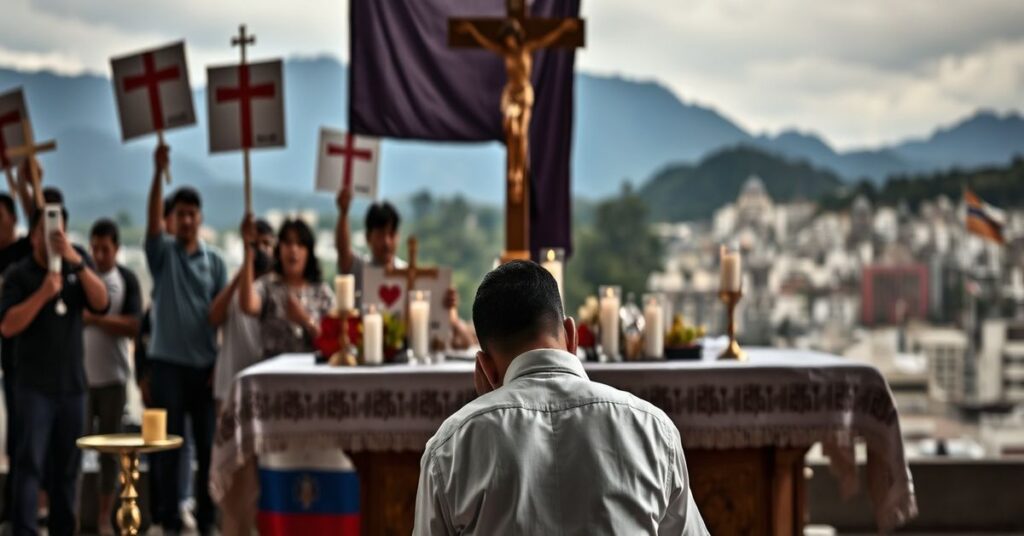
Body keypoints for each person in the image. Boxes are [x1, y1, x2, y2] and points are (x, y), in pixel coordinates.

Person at [413, 261, 708, 535]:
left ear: (485, 367)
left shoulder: (450, 449)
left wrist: (484, 417)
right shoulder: (654, 430)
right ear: (571, 333)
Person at [0, 203, 109, 536]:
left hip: (72, 387)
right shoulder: (19, 274)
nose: (51, 238)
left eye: (58, 231)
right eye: (45, 232)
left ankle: (64, 529)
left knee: (67, 468)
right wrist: (44, 293)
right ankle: (26, 530)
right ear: (33, 236)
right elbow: (7, 325)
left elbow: (101, 302)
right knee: (29, 464)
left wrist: (76, 262)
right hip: (33, 386)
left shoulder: (77, 266)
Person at [144, 145, 227, 535]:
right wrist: (159, 173)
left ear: (201, 218)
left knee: (208, 446)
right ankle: (169, 516)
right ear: (172, 219)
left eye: (193, 214)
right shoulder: (162, 255)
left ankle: (206, 518)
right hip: (167, 365)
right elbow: (150, 224)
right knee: (168, 446)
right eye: (180, 214)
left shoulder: (215, 262)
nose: (187, 220)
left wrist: (220, 363)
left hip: (205, 368)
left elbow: (221, 318)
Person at [335, 185, 475, 348]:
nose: (387, 242)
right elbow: (343, 251)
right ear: (368, 237)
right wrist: (343, 213)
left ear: (398, 237)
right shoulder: (361, 269)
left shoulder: (411, 274)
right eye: (380, 234)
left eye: (392, 234)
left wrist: (446, 306)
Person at [82, 219, 142, 535]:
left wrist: (95, 319)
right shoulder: (83, 278)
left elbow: (133, 325)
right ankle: (78, 515)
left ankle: (106, 515)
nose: (100, 255)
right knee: (75, 450)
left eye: (106, 249)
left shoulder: (127, 279)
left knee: (109, 453)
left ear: (116, 249)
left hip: (114, 377)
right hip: (81, 379)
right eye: (96, 249)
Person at [239, 216, 334, 358]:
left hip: (312, 375)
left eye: (300, 244)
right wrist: (248, 249)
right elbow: (247, 305)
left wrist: (305, 320)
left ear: (309, 252)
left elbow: (333, 342)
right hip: (273, 375)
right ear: (280, 248)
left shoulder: (322, 292)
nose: (293, 249)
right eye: (288, 243)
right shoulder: (268, 286)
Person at [210, 217, 275, 407]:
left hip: (263, 387)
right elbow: (214, 317)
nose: (261, 249)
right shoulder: (234, 287)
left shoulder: (277, 290)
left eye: (266, 244)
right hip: (228, 385)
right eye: (255, 244)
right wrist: (244, 268)